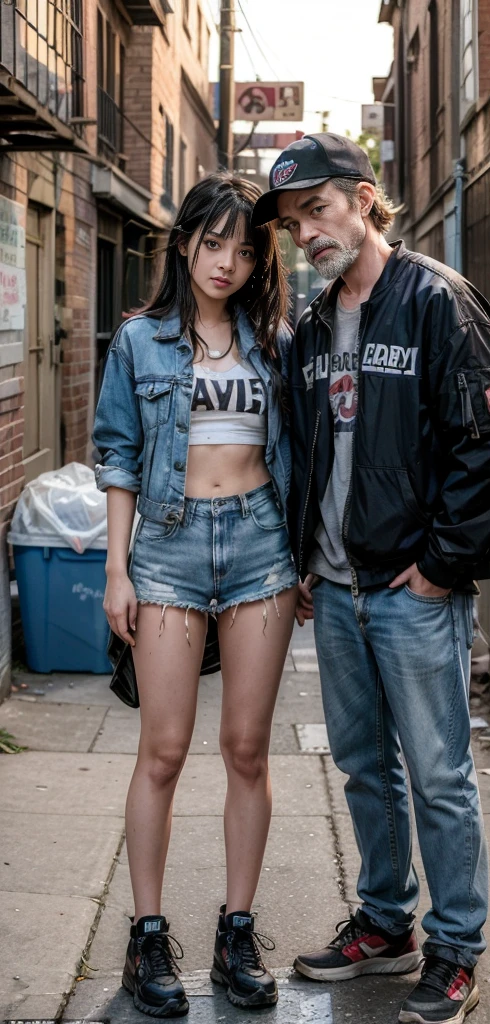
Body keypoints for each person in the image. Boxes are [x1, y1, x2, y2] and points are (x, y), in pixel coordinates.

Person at [252, 134, 490, 1024]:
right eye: (293, 223)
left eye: (318, 211)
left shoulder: (435, 302)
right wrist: (304, 564)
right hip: (334, 589)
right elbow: (306, 453)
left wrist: (444, 566)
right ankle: (384, 922)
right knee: (366, 768)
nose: (306, 235)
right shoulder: (311, 327)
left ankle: (454, 950)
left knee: (441, 773)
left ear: (366, 198)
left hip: (411, 592)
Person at [93, 173, 298, 1018]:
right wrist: (117, 568)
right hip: (170, 550)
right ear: (183, 244)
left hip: (260, 547)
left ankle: (236, 929)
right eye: (214, 243)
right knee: (164, 752)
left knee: (247, 751)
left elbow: (306, 448)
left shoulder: (277, 338)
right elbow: (116, 452)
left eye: (245, 248)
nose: (228, 262)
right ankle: (147, 935)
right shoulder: (140, 340)